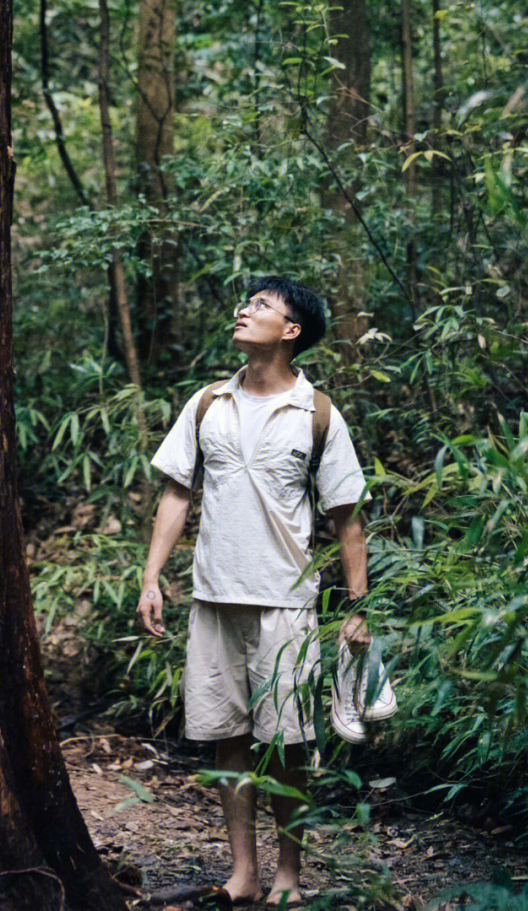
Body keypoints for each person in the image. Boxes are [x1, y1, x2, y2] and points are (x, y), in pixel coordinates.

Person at [136, 276, 371, 907]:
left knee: (288, 741)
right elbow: (176, 493)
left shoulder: (317, 413)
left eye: (261, 306)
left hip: (285, 601)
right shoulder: (209, 402)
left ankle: (289, 875)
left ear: (291, 332)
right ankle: (242, 871)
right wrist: (152, 576)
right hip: (214, 597)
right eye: (247, 303)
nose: (244, 311)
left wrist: (357, 608)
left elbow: (348, 518)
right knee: (228, 736)